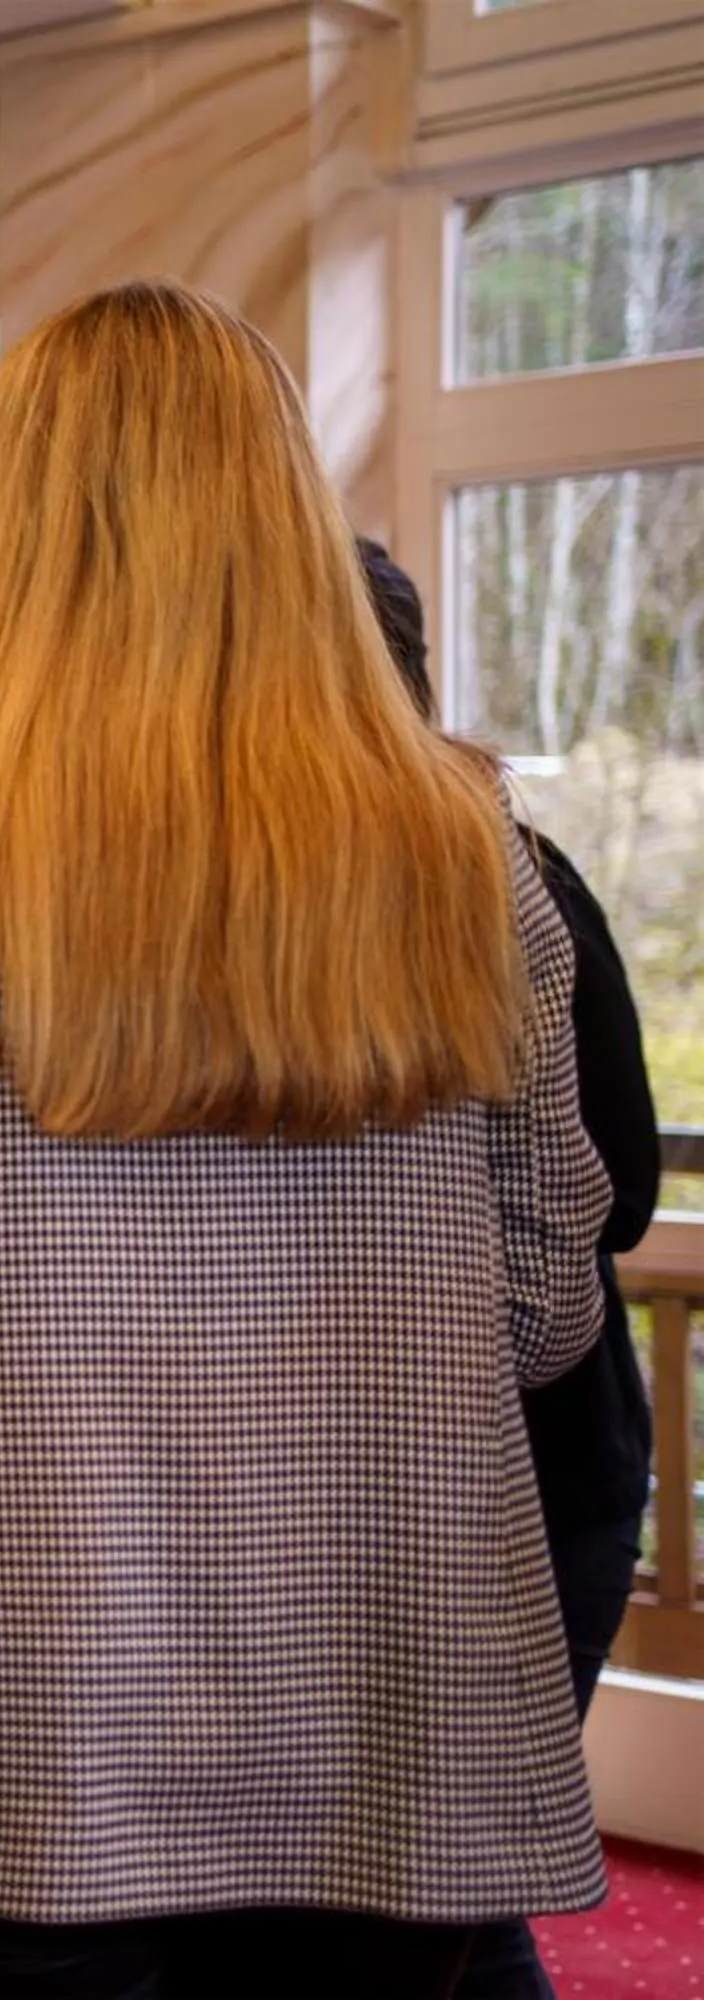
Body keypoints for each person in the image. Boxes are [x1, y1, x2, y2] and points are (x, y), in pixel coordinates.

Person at [0, 282, 612, 1999]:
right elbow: (548, 1311)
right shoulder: (464, 832)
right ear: (285, 511)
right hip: (380, 1706)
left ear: (1, 510)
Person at [359, 536, 661, 2000]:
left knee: (446, 1908)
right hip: (370, 1498)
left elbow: (611, 1188)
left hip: (533, 1471)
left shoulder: (501, 868)